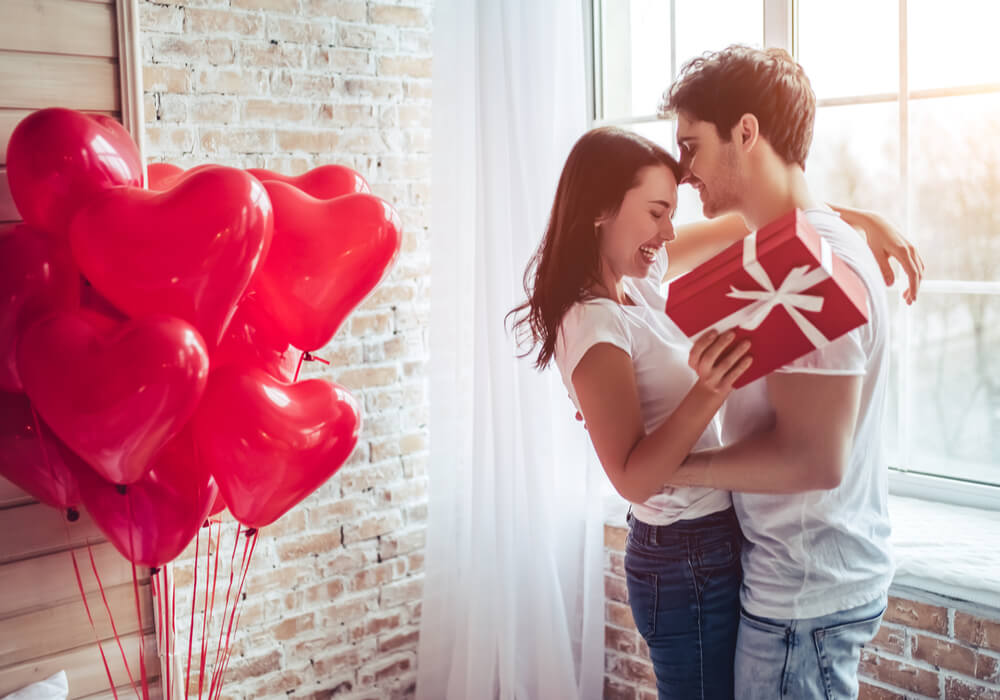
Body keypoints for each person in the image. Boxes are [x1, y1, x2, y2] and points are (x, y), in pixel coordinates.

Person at [508, 125, 922, 699]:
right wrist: (711, 387)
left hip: (712, 539)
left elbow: (748, 220)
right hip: (681, 558)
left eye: (671, 213)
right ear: (602, 209)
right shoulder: (596, 323)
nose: (669, 231)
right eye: (656, 213)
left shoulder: (639, 281)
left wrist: (858, 220)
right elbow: (631, 477)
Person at [660, 45, 902, 700]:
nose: (684, 175)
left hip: (804, 601)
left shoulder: (803, 272)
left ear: (746, 131)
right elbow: (640, 253)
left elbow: (813, 459)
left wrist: (672, 466)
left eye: (691, 147)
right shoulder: (798, 249)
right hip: (811, 586)